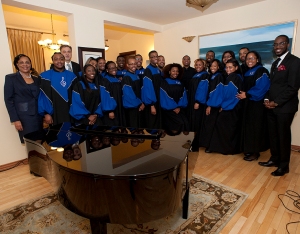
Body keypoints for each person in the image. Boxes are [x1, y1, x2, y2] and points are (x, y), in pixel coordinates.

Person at [259, 35, 300, 176]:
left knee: (283, 136)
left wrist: (276, 102)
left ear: (287, 45)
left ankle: (284, 166)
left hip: (285, 107)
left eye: (281, 44)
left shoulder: (295, 62)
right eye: (275, 44)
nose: (277, 47)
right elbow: (272, 85)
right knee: (273, 135)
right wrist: (266, 99)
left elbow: (293, 87)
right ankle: (274, 159)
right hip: (272, 106)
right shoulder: (276, 63)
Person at [236, 51, 270, 161]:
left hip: (257, 104)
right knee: (248, 127)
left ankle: (256, 152)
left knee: (256, 127)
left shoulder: (261, 71)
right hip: (247, 104)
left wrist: (247, 94)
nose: (249, 61)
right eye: (247, 59)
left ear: (257, 59)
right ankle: (249, 149)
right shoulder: (247, 72)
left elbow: (262, 88)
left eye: (252, 58)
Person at [4, 54, 43, 143]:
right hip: (24, 118)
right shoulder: (11, 78)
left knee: (39, 142)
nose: (25, 65)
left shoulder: (36, 79)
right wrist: (15, 120)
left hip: (38, 116)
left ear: (30, 64)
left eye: (27, 62)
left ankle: (38, 157)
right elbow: (8, 100)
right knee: (30, 143)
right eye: (21, 63)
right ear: (17, 65)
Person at [207, 59, 243, 155]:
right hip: (231, 106)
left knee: (226, 129)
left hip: (231, 107)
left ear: (236, 67)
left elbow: (231, 95)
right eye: (226, 67)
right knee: (227, 129)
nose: (228, 69)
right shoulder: (231, 77)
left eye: (230, 67)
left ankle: (227, 149)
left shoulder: (234, 77)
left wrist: (223, 106)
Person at [38, 52, 78, 125]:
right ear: (53, 61)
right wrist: (46, 113)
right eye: (56, 59)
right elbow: (43, 96)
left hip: (70, 113)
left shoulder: (72, 76)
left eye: (61, 59)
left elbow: (76, 97)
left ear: (64, 60)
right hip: (54, 114)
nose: (59, 61)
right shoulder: (44, 76)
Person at [199, 59, 224, 152]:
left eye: (215, 66)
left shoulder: (218, 76)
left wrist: (210, 105)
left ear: (218, 67)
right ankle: (206, 144)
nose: (212, 68)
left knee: (211, 126)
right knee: (208, 125)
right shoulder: (212, 76)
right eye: (211, 66)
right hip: (210, 103)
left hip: (213, 105)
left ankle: (210, 146)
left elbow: (216, 92)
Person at [187, 59, 209, 151]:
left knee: (197, 123)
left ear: (204, 66)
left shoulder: (205, 75)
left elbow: (202, 90)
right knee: (193, 122)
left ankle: (195, 145)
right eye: (196, 65)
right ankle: (193, 143)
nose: (198, 66)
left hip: (198, 103)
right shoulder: (195, 75)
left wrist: (198, 102)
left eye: (200, 65)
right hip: (193, 102)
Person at [160, 63, 189, 135]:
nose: (175, 73)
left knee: (186, 123)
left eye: (177, 71)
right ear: (169, 72)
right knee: (179, 124)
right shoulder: (164, 82)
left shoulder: (180, 82)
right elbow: (164, 96)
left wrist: (179, 107)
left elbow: (184, 95)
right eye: (173, 71)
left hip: (180, 109)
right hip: (169, 110)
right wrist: (174, 107)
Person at [100, 61, 125, 126]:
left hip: (119, 107)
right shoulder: (105, 80)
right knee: (112, 128)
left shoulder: (117, 79)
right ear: (107, 70)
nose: (113, 69)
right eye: (111, 68)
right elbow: (105, 97)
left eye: (114, 67)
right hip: (111, 109)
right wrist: (110, 111)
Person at [121, 57, 145, 128]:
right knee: (133, 128)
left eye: (134, 63)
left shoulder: (136, 76)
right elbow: (129, 94)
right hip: (132, 107)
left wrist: (142, 103)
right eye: (131, 64)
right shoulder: (127, 77)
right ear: (127, 65)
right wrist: (140, 103)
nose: (133, 65)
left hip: (139, 106)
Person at [141, 50, 162, 129]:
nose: (155, 58)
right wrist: (152, 105)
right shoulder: (148, 70)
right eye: (152, 57)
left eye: (156, 56)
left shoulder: (157, 68)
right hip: (152, 101)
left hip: (158, 99)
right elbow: (148, 88)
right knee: (152, 122)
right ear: (149, 58)